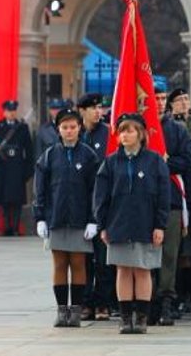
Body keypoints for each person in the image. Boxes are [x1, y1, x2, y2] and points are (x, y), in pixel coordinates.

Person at [94, 113, 170, 334]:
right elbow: (101, 197)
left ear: (141, 134)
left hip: (145, 224)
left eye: (130, 130)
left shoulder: (154, 161)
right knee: (123, 270)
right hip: (118, 223)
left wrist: (160, 225)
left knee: (143, 269)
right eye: (122, 131)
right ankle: (125, 318)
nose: (125, 135)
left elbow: (163, 196)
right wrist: (102, 225)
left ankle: (142, 318)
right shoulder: (110, 162)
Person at [33, 108, 99, 327]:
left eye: (73, 127)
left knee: (78, 263)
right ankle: (62, 310)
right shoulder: (49, 155)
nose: (69, 131)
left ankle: (77, 310)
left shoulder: (89, 155)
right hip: (57, 217)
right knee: (60, 263)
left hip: (81, 219)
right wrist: (40, 217)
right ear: (58, 129)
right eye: (64, 127)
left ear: (79, 128)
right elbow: (40, 189)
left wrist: (93, 219)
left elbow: (94, 190)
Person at [154, 87, 191, 326]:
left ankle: (167, 300)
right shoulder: (139, 128)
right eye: (154, 99)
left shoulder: (177, 130)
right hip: (143, 203)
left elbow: (187, 160)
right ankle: (146, 302)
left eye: (162, 99)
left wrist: (164, 164)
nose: (159, 103)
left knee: (170, 254)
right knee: (146, 254)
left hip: (171, 200)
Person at [77, 93, 113, 321]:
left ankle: (103, 303)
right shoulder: (75, 134)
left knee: (103, 259)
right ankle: (85, 302)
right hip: (80, 203)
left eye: (100, 107)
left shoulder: (108, 134)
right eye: (93, 108)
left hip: (103, 203)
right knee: (82, 259)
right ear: (82, 110)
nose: (98, 112)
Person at [0, 100, 34, 236]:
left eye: (13, 111)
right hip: (3, 167)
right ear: (4, 112)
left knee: (17, 200)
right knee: (4, 200)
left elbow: (29, 150)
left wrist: (28, 170)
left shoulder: (22, 127)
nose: (11, 113)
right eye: (9, 111)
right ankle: (6, 228)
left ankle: (16, 228)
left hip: (17, 167)